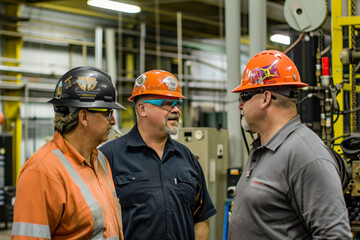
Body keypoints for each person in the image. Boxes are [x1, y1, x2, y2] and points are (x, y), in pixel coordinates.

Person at [228, 50, 352, 239]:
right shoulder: (262, 148)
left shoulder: (305, 154)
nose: (240, 106)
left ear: (265, 98)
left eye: (244, 96)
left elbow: (335, 235)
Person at [99, 69, 217, 240]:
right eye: (167, 103)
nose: (176, 110)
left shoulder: (187, 157)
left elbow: (201, 217)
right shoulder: (109, 156)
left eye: (178, 103)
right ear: (142, 109)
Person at [12, 66, 125, 240]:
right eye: (108, 112)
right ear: (84, 117)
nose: (113, 120)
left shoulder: (100, 160)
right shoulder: (41, 172)